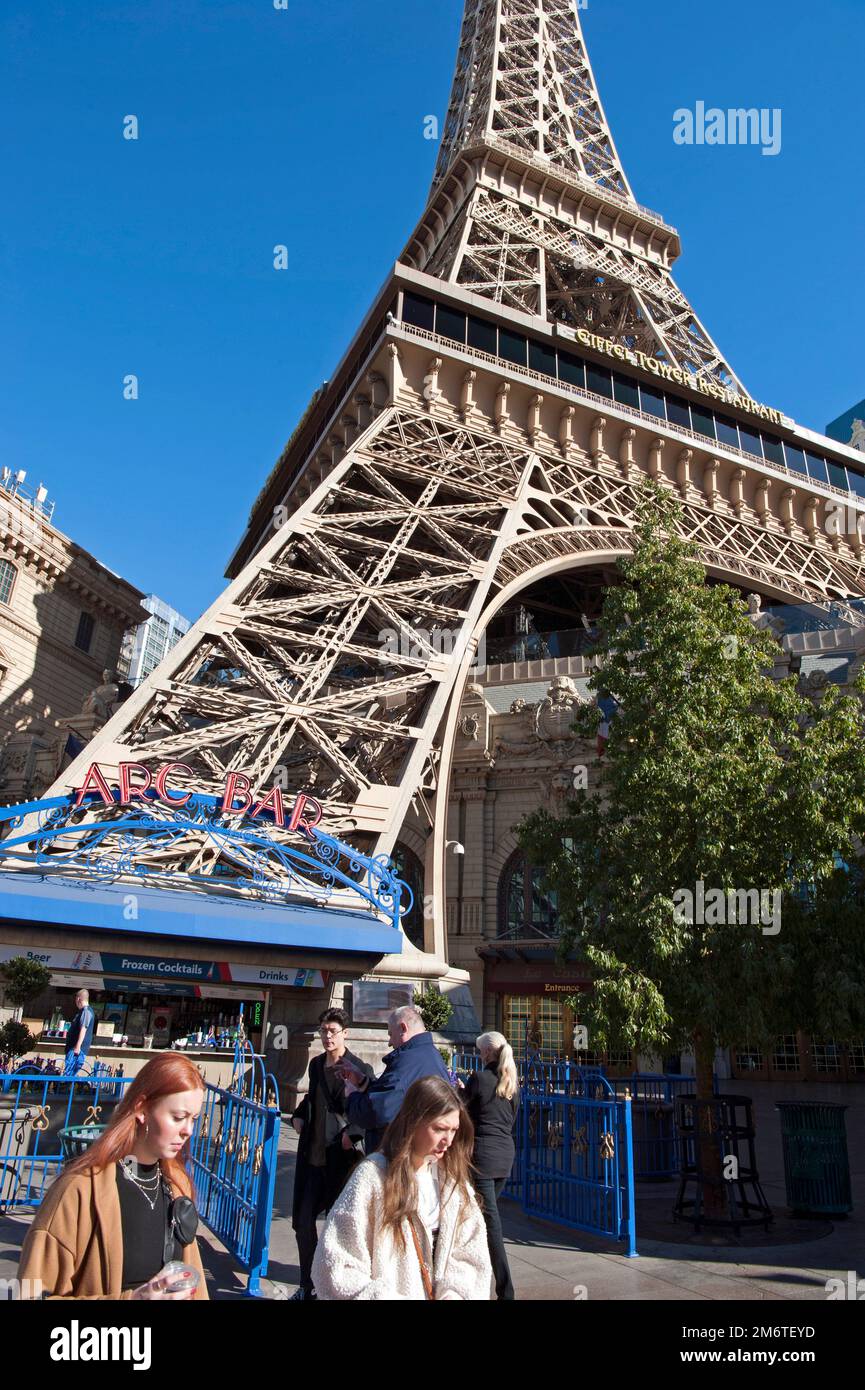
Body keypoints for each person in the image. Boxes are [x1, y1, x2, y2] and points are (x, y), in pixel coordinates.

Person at [18, 1052, 208, 1300]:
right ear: (141, 1109)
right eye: (178, 1117)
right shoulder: (79, 1190)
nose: (188, 1131)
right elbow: (31, 1295)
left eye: (194, 1119)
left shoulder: (176, 1185)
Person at [311, 1075, 492, 1300]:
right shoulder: (373, 1177)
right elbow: (335, 1264)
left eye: (454, 1130)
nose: (449, 1140)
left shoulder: (454, 1183)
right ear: (414, 1123)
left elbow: (471, 1256)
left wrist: (455, 1294)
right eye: (439, 1129)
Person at [289, 1007, 373, 1301]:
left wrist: (353, 1133)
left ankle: (335, 1285)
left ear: (345, 1034)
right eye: (323, 1030)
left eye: (332, 1031)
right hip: (313, 1155)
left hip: (341, 1158)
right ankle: (307, 1284)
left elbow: (367, 1109)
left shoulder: (359, 1068)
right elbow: (313, 1098)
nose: (327, 1036)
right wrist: (298, 1115)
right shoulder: (315, 1066)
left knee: (338, 1227)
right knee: (302, 1221)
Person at [341, 1004, 451, 1151]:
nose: (390, 1042)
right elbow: (394, 1095)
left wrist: (352, 1095)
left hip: (398, 1155)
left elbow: (378, 1111)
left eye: (391, 1034)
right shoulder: (431, 1055)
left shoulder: (408, 1061)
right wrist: (363, 1081)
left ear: (403, 1028)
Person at [462, 1031, 518, 1300]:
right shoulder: (510, 1083)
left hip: (483, 1158)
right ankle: (471, 1274)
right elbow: (510, 1118)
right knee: (479, 1218)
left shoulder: (480, 1079)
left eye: (480, 1050)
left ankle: (506, 1291)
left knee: (490, 1224)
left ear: (486, 1052)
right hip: (505, 1157)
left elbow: (466, 1113)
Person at [63, 989, 95, 1075]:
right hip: (75, 1048)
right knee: (69, 1073)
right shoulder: (84, 1011)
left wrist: (77, 1046)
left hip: (76, 1050)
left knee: (69, 1073)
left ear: (78, 999)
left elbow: (83, 1029)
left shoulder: (86, 1011)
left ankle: (67, 1087)